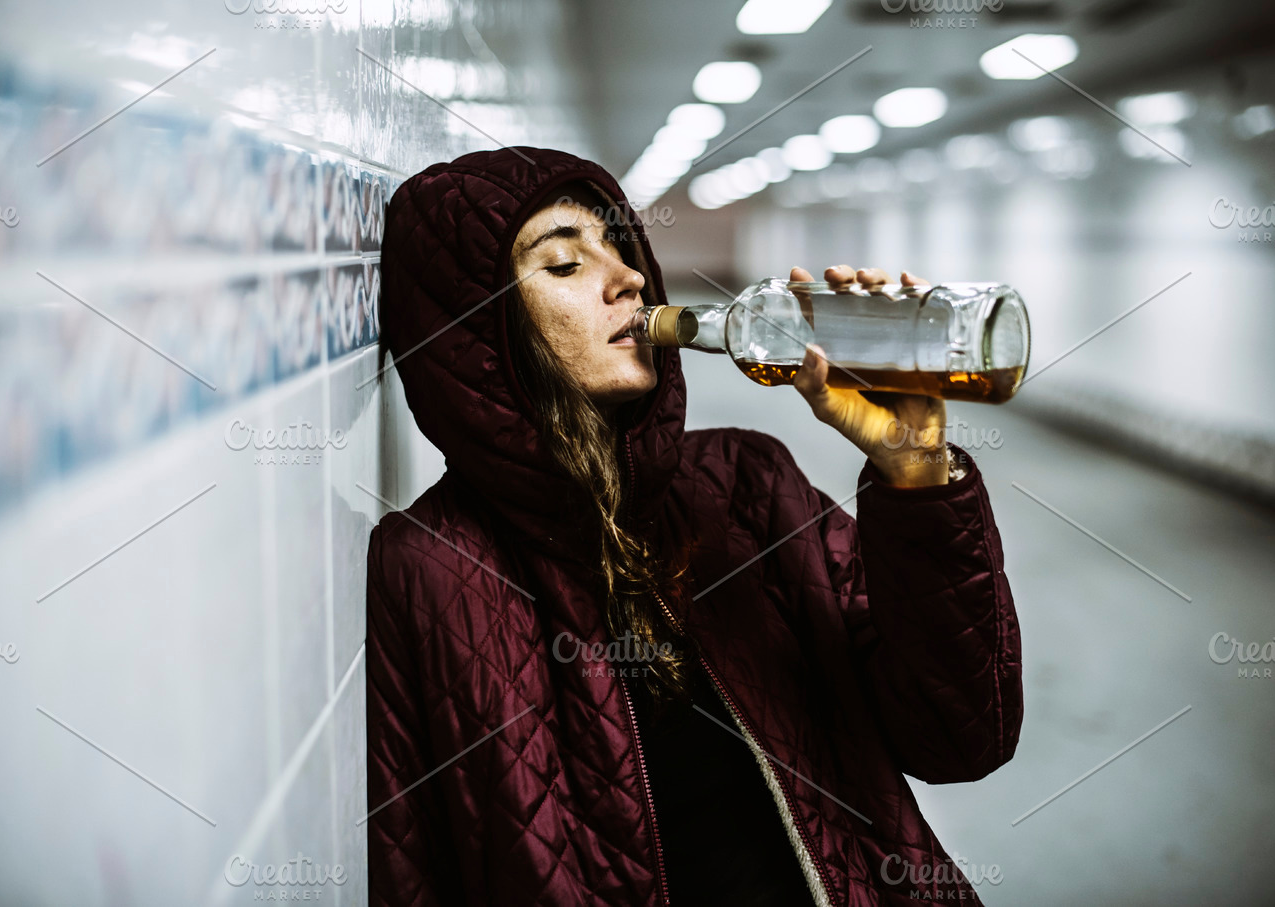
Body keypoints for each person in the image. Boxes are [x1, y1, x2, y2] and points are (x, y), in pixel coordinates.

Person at [368, 146, 1022, 906]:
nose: (630, 277)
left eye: (619, 245)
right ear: (478, 327)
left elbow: (960, 735)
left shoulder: (750, 486)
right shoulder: (430, 568)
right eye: (563, 264)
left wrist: (915, 474)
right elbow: (413, 866)